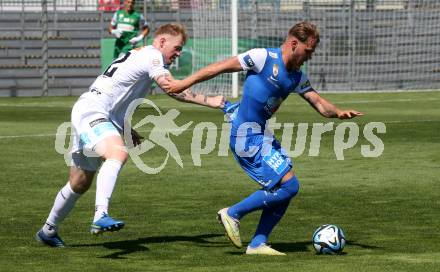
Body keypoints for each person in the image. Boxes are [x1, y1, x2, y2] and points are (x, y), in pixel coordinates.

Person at [165, 21, 363, 255]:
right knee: (290, 185)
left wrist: (338, 112)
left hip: (262, 134)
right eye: (307, 51)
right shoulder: (262, 57)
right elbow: (217, 68)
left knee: (286, 189)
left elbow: (318, 102)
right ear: (293, 44)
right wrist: (181, 83)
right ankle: (232, 213)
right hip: (246, 136)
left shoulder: (297, 77)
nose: (309, 56)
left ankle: (258, 243)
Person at [36, 23, 225, 247]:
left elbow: (118, 93)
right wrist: (211, 101)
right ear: (162, 42)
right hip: (92, 112)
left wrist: (124, 128)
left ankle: (48, 230)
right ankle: (100, 215)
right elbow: (172, 88)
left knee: (79, 183)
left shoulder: (140, 54)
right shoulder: (154, 55)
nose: (179, 53)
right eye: (177, 47)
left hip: (94, 112)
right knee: (117, 153)